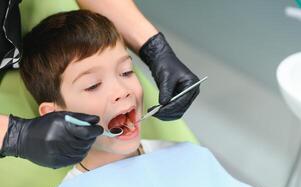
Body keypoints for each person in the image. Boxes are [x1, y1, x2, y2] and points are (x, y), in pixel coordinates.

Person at [0, 0, 200, 168]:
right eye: (93, 85)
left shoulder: (187, 160)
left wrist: (154, 48)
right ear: (53, 113)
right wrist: (15, 136)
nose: (122, 92)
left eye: (126, 72)